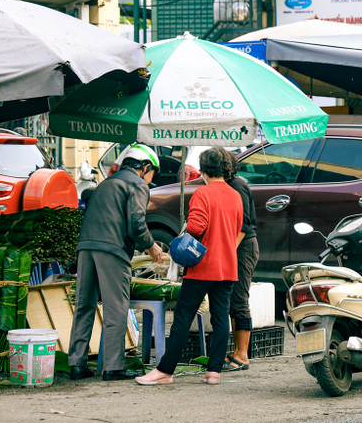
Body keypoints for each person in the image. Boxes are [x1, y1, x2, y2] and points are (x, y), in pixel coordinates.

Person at [136, 147, 243, 386]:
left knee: (183, 317)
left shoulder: (202, 193)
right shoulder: (235, 195)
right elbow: (237, 230)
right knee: (220, 318)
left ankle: (165, 371)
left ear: (204, 170)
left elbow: (195, 227)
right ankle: (214, 372)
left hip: (203, 266)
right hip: (228, 265)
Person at [68, 144, 164, 381]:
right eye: (152, 173)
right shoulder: (137, 184)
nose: (151, 180)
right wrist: (151, 245)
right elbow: (137, 224)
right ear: (146, 167)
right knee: (115, 308)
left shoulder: (106, 183)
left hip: (86, 246)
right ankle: (113, 367)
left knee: (84, 305)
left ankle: (77, 364)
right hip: (112, 249)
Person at [224, 150, 258, 371]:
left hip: (243, 247)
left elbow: (244, 224)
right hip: (234, 247)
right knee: (232, 300)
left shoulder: (237, 185)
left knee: (239, 299)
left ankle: (243, 355)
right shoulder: (227, 186)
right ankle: (237, 351)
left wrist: (229, 249)